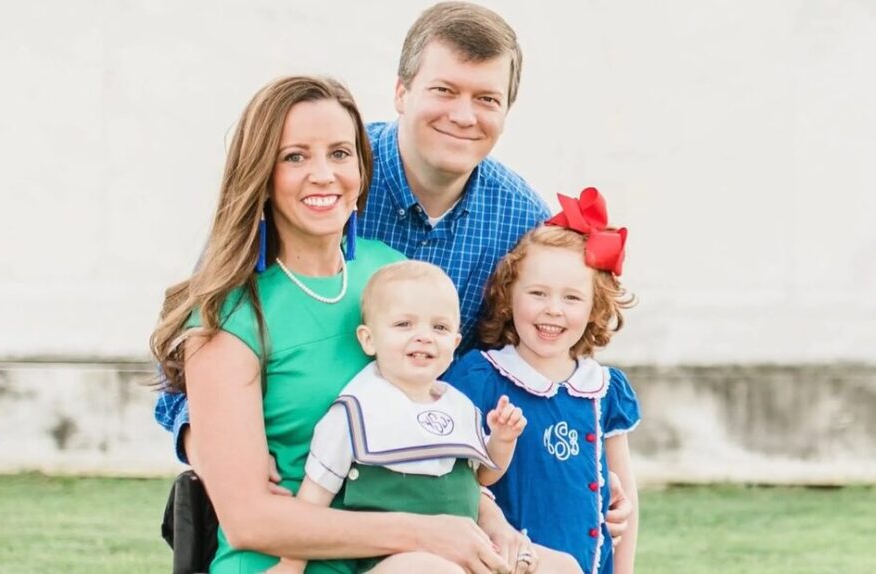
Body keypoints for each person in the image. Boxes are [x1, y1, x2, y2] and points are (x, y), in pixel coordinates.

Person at [156, 0, 635, 559]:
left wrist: (577, 463)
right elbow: (191, 359)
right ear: (401, 92)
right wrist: (216, 445)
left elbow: (530, 365)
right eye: (444, 90)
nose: (463, 115)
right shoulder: (327, 176)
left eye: (486, 98)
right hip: (317, 514)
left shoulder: (516, 221)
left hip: (439, 487)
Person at [151, 75, 519, 574]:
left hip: (402, 557)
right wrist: (422, 532)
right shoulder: (228, 316)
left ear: (362, 170)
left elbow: (433, 429)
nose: (323, 175)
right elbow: (249, 521)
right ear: (261, 174)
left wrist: (490, 521)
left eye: (340, 154)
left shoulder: (391, 273)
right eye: (295, 157)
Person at [269, 261, 587, 574]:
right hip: (394, 561)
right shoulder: (357, 409)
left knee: (563, 566)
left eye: (440, 328)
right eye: (404, 324)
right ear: (368, 339)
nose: (424, 336)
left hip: (469, 552)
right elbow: (314, 495)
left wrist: (502, 441)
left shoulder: (458, 405)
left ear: (455, 344)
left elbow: (482, 478)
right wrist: (290, 565)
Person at [445, 188, 641, 574]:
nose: (553, 309)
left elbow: (625, 496)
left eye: (572, 298)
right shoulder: (480, 376)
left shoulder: (604, 389)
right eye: (537, 293)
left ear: (595, 306)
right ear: (508, 295)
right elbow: (453, 477)